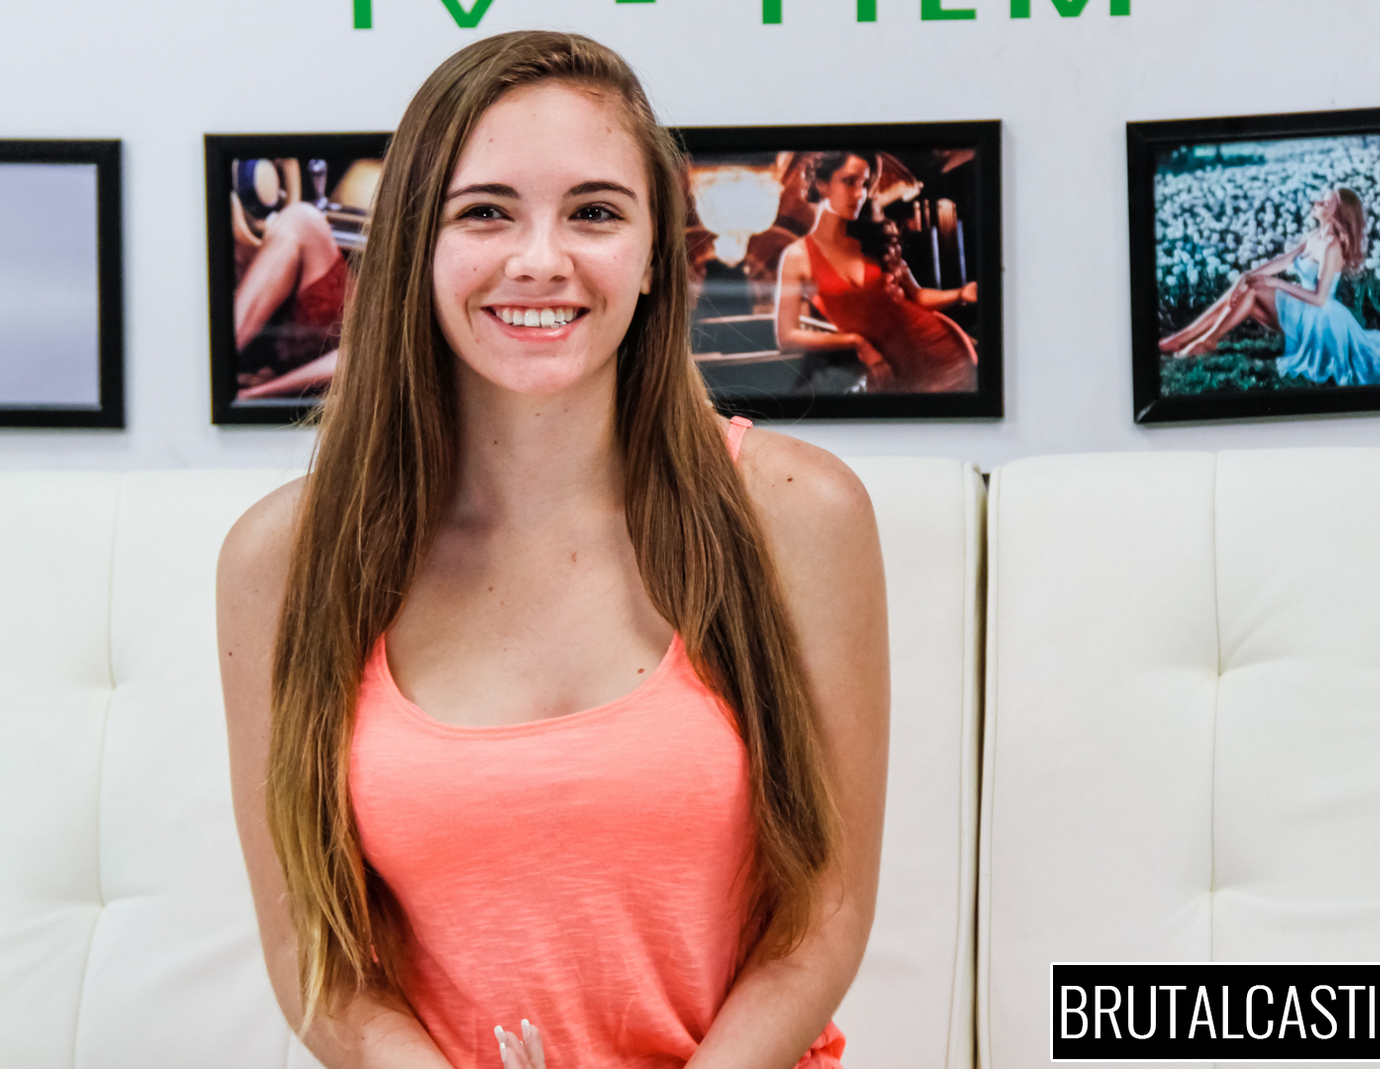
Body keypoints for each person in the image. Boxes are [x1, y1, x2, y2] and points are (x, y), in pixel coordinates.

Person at [216, 30, 887, 1069]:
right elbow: (317, 957)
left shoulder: (801, 514)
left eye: (594, 212)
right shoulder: (282, 561)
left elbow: (824, 921)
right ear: (415, 246)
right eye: (485, 212)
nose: (540, 259)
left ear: (655, 253)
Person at [1159, 187, 1380, 385]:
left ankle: (1204, 339)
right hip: (1303, 312)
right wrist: (1250, 274)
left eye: (1323, 202)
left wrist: (1272, 283)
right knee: (1246, 285)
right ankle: (1186, 338)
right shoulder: (1314, 237)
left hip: (1320, 320)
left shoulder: (1332, 247)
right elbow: (1284, 260)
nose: (1316, 202)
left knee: (1254, 290)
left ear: (1335, 212)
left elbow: (1320, 298)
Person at [772, 151, 977, 393]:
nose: (860, 194)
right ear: (821, 185)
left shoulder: (875, 242)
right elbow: (786, 337)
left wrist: (961, 293)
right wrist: (856, 342)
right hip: (893, 367)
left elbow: (918, 297)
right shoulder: (796, 256)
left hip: (942, 351)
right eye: (849, 181)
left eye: (865, 184)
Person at [230, 158, 350, 401]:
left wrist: (255, 394)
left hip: (322, 364)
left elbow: (365, 352)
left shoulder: (301, 223)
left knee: (303, 219)